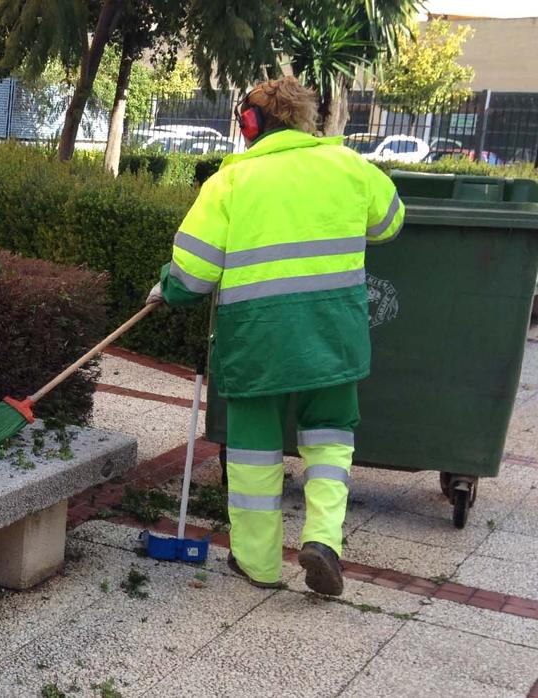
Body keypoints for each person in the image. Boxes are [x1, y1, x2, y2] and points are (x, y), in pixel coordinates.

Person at [146, 77, 403, 596]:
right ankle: (325, 540)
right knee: (331, 434)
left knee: (254, 451)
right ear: (306, 120)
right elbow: (391, 222)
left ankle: (259, 564)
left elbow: (193, 273)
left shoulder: (231, 182)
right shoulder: (351, 167)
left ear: (251, 125)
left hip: (258, 339)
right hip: (334, 335)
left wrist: (167, 288)